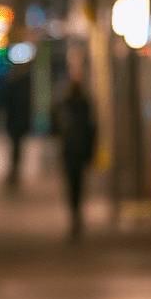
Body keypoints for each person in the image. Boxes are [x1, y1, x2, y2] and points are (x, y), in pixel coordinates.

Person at [53, 75, 97, 238]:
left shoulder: (63, 105)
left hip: (68, 151)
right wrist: (91, 152)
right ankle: (77, 213)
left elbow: (56, 127)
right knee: (79, 183)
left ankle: (74, 213)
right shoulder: (85, 105)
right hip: (81, 151)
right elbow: (92, 129)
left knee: (71, 184)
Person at [1, 62, 33, 187]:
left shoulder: (13, 83)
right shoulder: (25, 84)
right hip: (19, 121)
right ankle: (15, 170)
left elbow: (6, 102)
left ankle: (14, 171)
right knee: (17, 147)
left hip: (14, 121)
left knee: (15, 146)